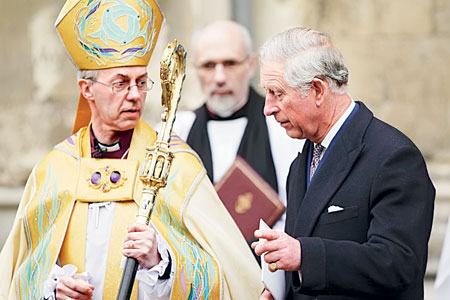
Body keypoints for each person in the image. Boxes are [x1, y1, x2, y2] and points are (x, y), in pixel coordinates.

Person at [0, 1, 262, 299]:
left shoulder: (176, 165)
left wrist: (161, 262)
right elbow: (19, 274)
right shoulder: (56, 169)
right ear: (87, 89)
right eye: (121, 83)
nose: (135, 95)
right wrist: (52, 287)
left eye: (141, 82)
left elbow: (223, 275)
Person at [252, 27, 435, 299]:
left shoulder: (394, 157)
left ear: (317, 90)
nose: (268, 108)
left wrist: (304, 255)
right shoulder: (301, 163)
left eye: (277, 93)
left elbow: (398, 264)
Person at [171, 20, 303, 233]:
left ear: (251, 65)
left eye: (230, 63)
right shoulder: (178, 132)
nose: (220, 78)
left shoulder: (283, 127)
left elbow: (297, 210)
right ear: (195, 68)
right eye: (208, 65)